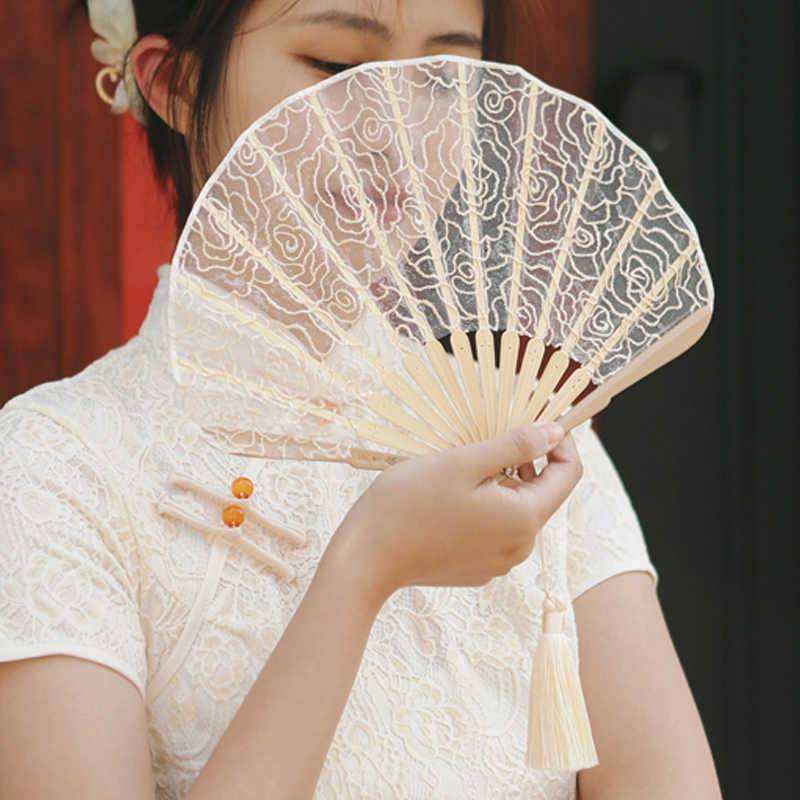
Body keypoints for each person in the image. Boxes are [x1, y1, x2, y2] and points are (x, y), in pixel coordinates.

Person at [0, 1, 723, 798]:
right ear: (171, 83)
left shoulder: (519, 418)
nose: (398, 131)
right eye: (337, 69)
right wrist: (362, 572)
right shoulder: (59, 464)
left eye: (442, 78)